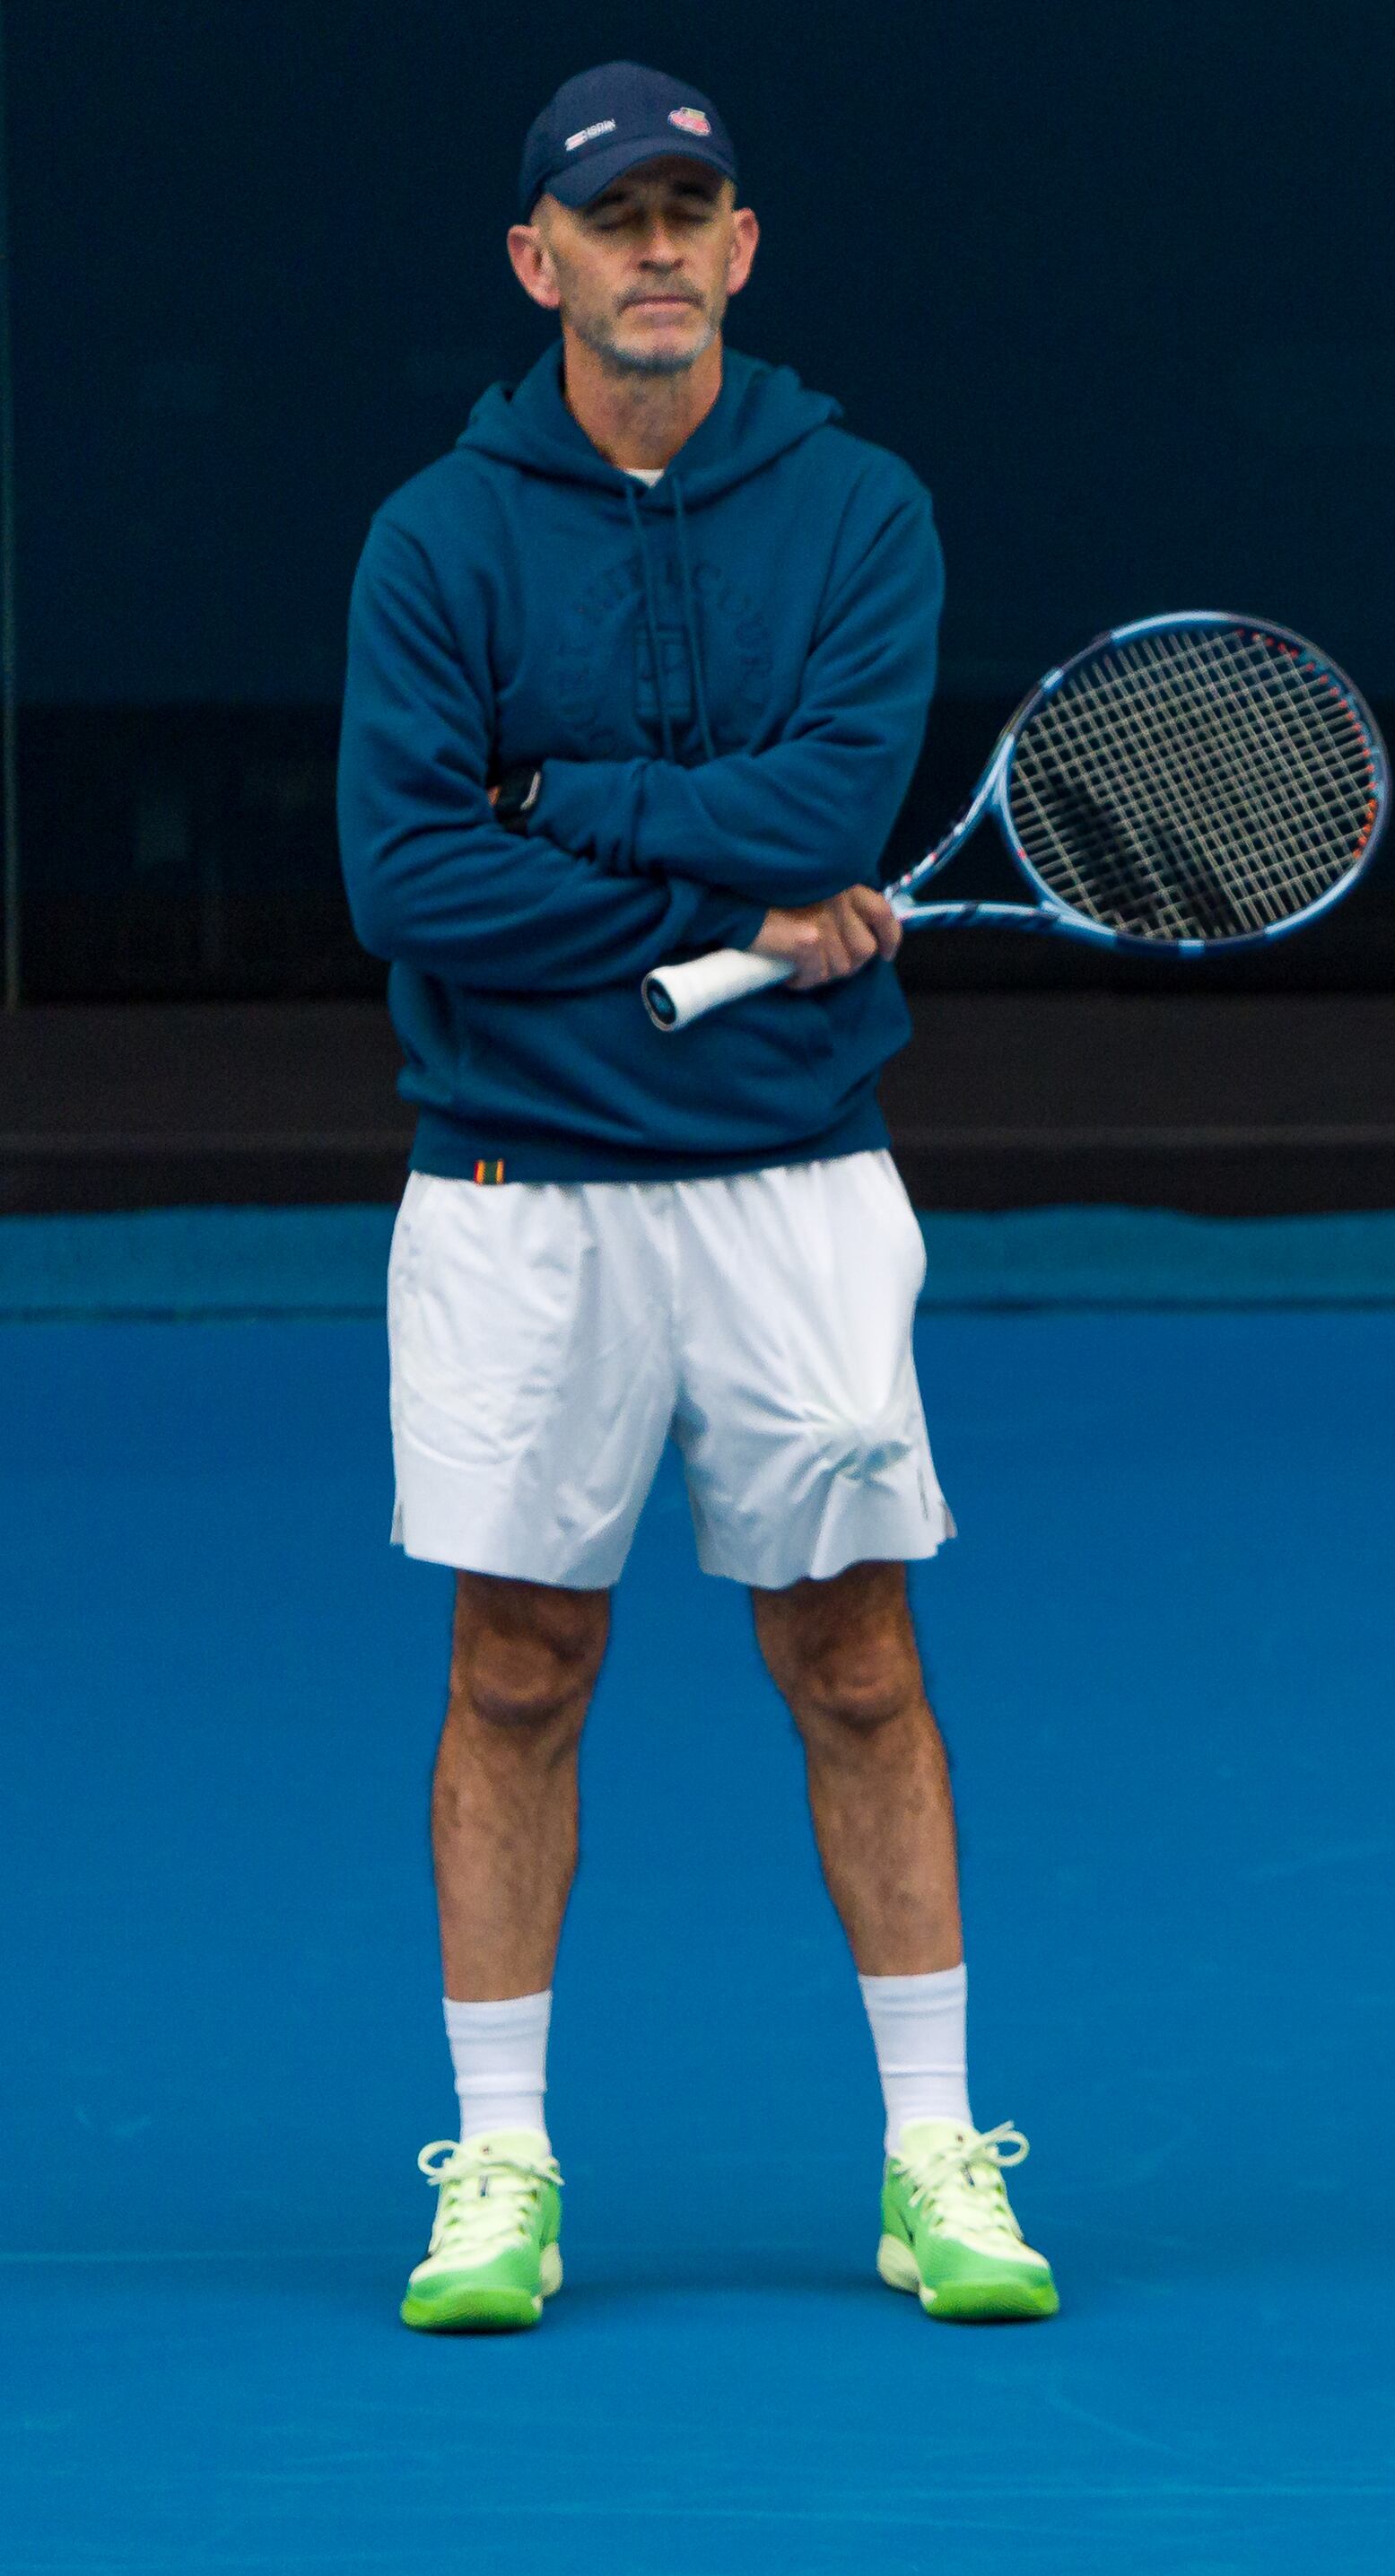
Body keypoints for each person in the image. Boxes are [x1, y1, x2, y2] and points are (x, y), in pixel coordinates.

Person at [339, 64, 1053, 2335]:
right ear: (536, 262)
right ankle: (502, 2168)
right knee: (516, 1662)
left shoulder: (859, 511)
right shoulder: (437, 540)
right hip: (512, 1188)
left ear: (741, 251)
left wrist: (555, 808)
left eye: (690, 213)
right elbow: (401, 874)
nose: (654, 250)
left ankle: (933, 2150)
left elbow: (838, 790)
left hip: (793, 1192)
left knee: (852, 1657)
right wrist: (706, 889)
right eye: (609, 218)